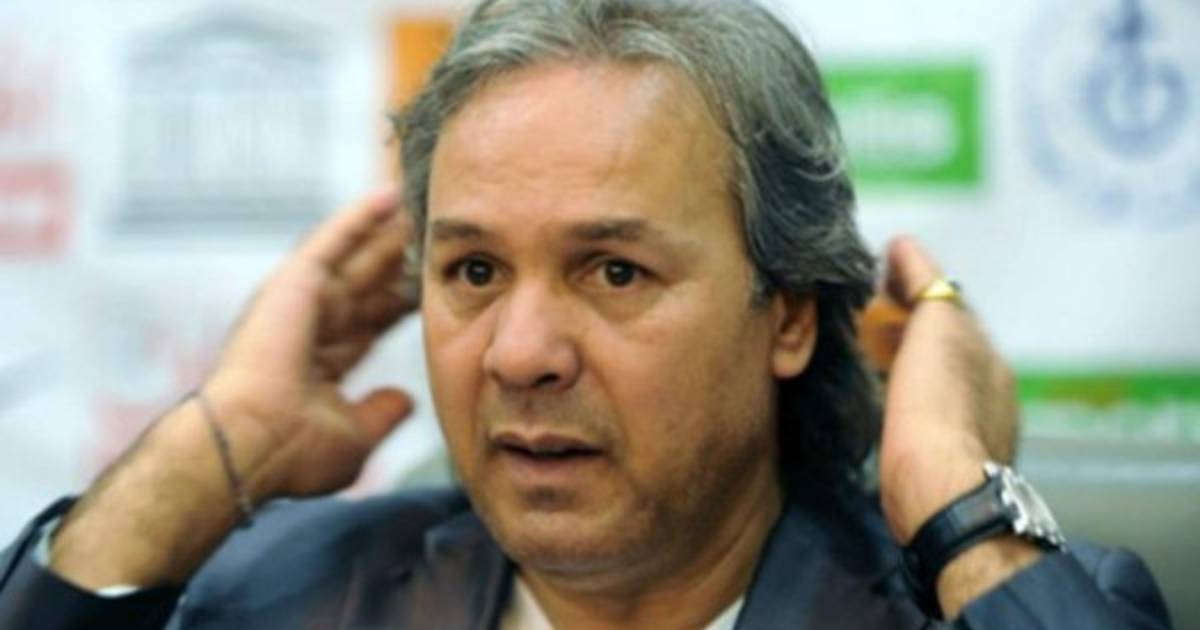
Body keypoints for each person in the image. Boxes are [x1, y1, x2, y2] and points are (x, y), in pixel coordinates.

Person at [0, 0, 1171, 628]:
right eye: (473, 272)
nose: (519, 356)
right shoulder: (285, 593)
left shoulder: (981, 607)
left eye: (613, 273)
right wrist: (215, 449)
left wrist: (958, 505)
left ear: (788, 314)